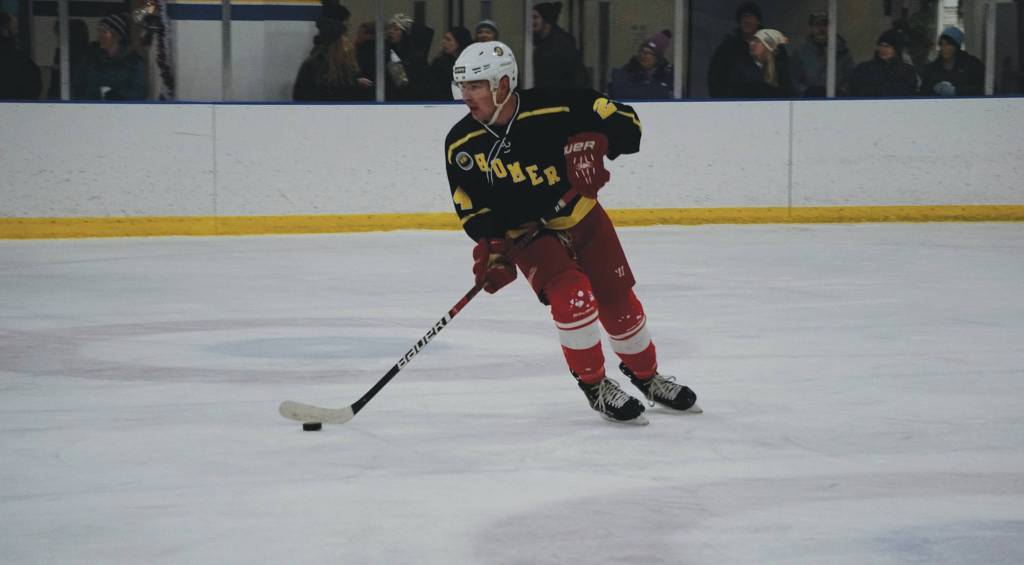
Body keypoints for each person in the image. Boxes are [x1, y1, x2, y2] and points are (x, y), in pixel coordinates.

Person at [444, 41, 702, 424]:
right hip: (530, 236)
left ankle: (648, 378)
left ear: (502, 84)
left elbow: (628, 124)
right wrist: (494, 244)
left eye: (476, 86)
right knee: (574, 298)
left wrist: (599, 142)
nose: (467, 96)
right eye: (462, 86)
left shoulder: (559, 105)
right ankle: (596, 386)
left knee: (620, 305)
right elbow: (472, 206)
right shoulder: (461, 143)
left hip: (584, 219)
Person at [292, 1, 372, 101]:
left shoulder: (345, 63)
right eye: (345, 34)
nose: (348, 40)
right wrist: (354, 85)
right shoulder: (315, 65)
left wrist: (355, 83)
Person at [81, 13, 145, 100]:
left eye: (104, 32)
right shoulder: (91, 59)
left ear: (117, 36)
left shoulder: (134, 62)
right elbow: (79, 86)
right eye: (99, 31)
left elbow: (139, 92)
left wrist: (116, 95)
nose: (100, 35)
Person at [708, 1, 763, 98]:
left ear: (758, 21)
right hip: (734, 105)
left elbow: (783, 79)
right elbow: (715, 78)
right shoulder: (727, 48)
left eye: (750, 17)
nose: (747, 21)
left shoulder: (771, 45)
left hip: (767, 105)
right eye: (743, 17)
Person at [791, 11, 854, 97]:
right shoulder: (800, 52)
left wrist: (840, 92)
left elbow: (851, 78)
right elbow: (794, 80)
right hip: (808, 103)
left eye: (824, 25)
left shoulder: (843, 51)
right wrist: (807, 92)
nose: (821, 29)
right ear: (811, 28)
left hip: (836, 102)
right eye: (817, 25)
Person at [531, 2, 587, 90]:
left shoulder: (561, 45)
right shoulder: (540, 44)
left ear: (546, 21)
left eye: (535, 17)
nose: (531, 21)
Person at [723, 28, 791, 98]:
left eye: (757, 41)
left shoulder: (780, 70)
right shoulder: (741, 69)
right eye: (752, 40)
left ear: (767, 47)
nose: (751, 43)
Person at [849, 29, 918, 98]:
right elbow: (855, 90)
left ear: (896, 49)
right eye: (881, 45)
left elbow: (908, 93)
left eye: (887, 46)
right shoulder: (864, 68)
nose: (883, 49)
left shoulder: (907, 71)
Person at [919, 26, 984, 97]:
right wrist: (933, 89)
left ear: (957, 46)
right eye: (942, 44)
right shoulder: (932, 68)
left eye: (949, 44)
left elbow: (983, 88)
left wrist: (957, 90)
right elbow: (923, 92)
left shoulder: (972, 65)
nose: (944, 48)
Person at [607, 30, 673, 100]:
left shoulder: (667, 74)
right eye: (642, 52)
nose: (643, 56)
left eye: (649, 53)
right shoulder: (627, 72)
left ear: (657, 58)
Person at [383, 12, 432, 100]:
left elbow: (423, 85)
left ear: (405, 33)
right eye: (389, 28)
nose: (391, 32)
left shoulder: (416, 57)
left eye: (396, 29)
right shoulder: (385, 53)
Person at [0, 10, 42, 100]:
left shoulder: (20, 58)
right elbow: (33, 86)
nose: (17, 32)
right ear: (5, 31)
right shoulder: (18, 59)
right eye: (15, 29)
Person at [47, 18, 90, 99]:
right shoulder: (60, 54)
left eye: (61, 35)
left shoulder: (86, 59)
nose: (59, 40)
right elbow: (55, 85)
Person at [429, 26, 472, 100]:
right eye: (444, 39)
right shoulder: (439, 63)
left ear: (459, 42)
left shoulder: (471, 63)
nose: (444, 42)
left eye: (448, 40)